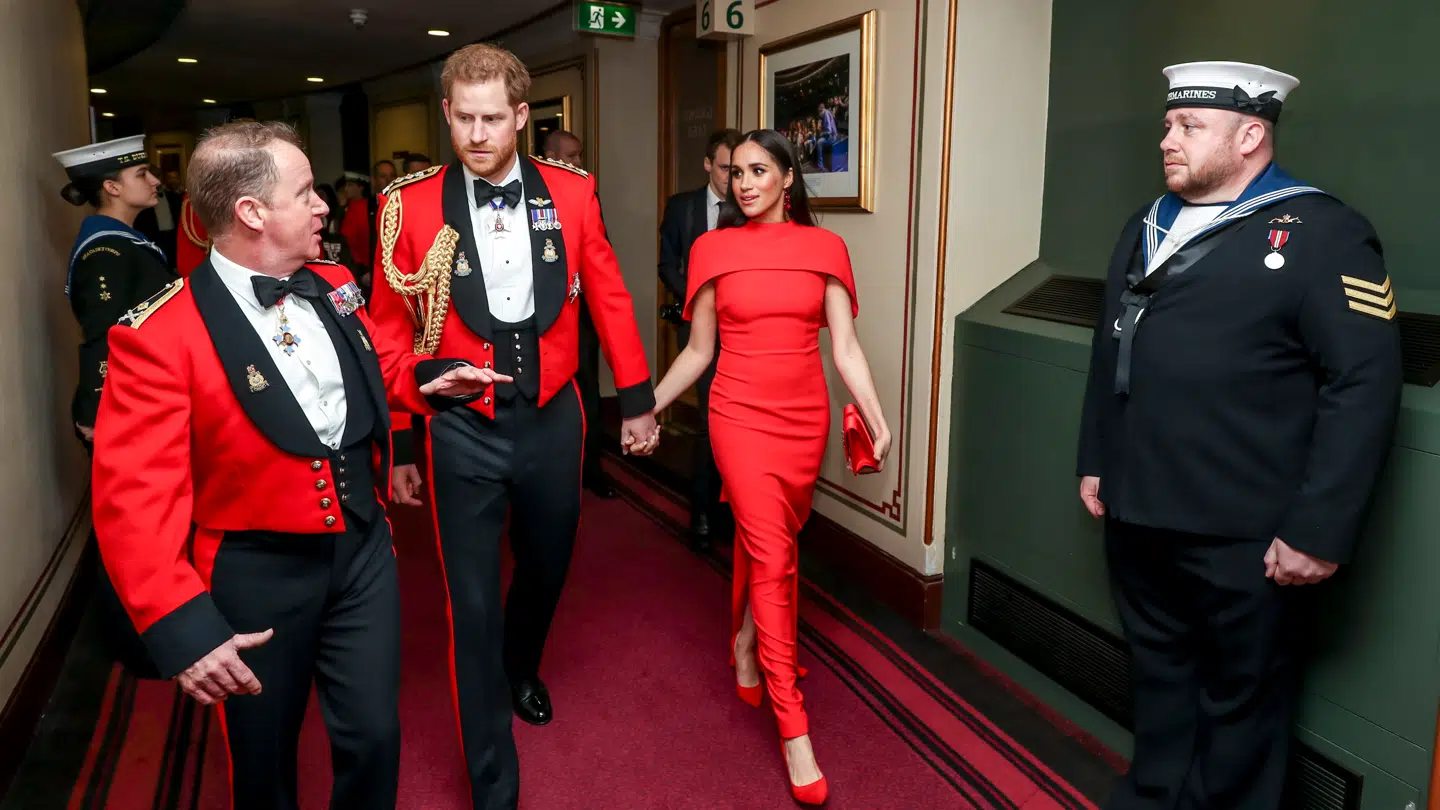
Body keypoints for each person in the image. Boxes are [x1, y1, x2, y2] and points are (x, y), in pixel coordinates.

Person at [91, 120, 505, 810]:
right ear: (251, 212)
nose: (324, 206)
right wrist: (182, 626)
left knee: (374, 736)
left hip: (362, 552)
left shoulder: (335, 280)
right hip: (256, 576)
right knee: (263, 758)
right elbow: (133, 501)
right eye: (306, 192)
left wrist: (430, 376)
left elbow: (377, 367)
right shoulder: (158, 337)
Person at [1076, 62, 1403, 810]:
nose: (1167, 138)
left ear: (1251, 134)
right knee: (1159, 680)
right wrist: (1097, 460)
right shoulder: (1146, 223)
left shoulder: (1323, 231)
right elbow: (1111, 349)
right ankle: (1153, 797)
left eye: (1189, 126)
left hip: (1246, 532)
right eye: (1168, 124)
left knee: (1242, 706)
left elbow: (1364, 386)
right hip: (1137, 508)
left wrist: (1318, 530)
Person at [368, 43, 658, 810]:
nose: (477, 133)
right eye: (463, 117)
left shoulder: (570, 191)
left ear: (523, 117)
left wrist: (635, 399)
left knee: (548, 562)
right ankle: (494, 784)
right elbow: (390, 333)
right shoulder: (412, 203)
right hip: (458, 427)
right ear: (446, 115)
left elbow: (610, 296)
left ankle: (521, 664)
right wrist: (403, 438)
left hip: (553, 416)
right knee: (471, 603)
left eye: (493, 118)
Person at [650, 129, 891, 805]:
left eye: (760, 170)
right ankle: (794, 728)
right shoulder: (711, 250)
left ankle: (748, 640)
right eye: (736, 173)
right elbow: (698, 352)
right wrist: (646, 408)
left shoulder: (825, 250)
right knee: (775, 554)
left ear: (789, 178)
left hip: (803, 419)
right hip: (737, 417)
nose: (745, 183)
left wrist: (875, 413)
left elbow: (845, 349)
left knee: (773, 543)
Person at [54, 134, 178, 680]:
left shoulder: (128, 240)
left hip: (145, 402)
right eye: (142, 175)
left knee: (154, 520)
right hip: (124, 408)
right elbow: (105, 338)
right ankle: (137, 643)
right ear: (111, 186)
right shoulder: (106, 248)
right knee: (133, 526)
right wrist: (104, 412)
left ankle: (156, 633)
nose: (154, 181)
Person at [657, 127, 742, 545]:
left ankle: (734, 511)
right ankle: (703, 513)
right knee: (710, 422)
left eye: (741, 169)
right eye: (727, 168)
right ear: (709, 165)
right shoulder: (682, 207)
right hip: (698, 328)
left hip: (743, 331)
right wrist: (694, 295)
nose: (734, 178)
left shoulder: (751, 208)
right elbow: (666, 264)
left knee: (739, 425)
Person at [542, 129, 617, 498]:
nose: (577, 163)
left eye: (579, 155)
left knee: (588, 390)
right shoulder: (528, 191)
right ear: (551, 155)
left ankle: (591, 469)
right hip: (537, 316)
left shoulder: (586, 192)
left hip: (580, 311)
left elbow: (601, 256)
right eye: (570, 156)